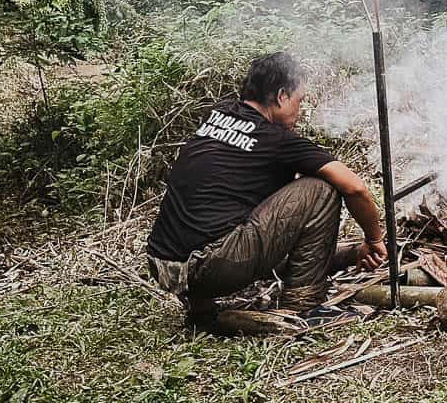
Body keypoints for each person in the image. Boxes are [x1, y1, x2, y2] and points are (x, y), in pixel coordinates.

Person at [144, 52, 386, 329]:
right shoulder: (277, 139)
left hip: (162, 263)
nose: (299, 110)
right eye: (299, 101)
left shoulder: (217, 115)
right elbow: (355, 188)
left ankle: (201, 305)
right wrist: (374, 239)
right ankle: (305, 306)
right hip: (208, 268)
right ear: (282, 96)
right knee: (320, 189)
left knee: (222, 210)